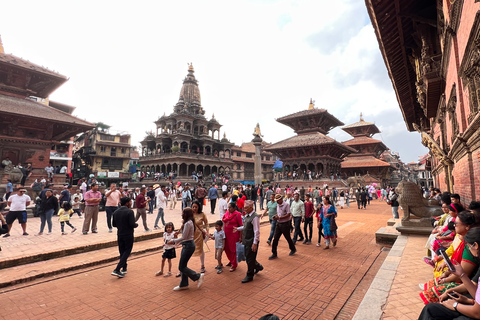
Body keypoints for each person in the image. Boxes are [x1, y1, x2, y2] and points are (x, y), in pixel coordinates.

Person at [418, 226, 480, 320]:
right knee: (431, 309)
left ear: (475, 245)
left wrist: (455, 305)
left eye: (457, 224)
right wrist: (461, 275)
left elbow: (477, 313)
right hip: (474, 303)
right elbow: (476, 291)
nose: (454, 226)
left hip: (476, 311)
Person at [420, 211, 477, 304]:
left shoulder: (470, 247)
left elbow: (461, 276)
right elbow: (453, 250)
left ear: (467, 226)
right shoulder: (462, 239)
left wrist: (446, 279)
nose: (454, 225)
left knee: (434, 293)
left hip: (463, 282)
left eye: (456, 223)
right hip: (459, 275)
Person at [168, 207, 205, 291]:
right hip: (187, 245)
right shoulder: (188, 222)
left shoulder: (188, 223)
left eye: (183, 213)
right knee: (183, 265)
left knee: (181, 267)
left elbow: (184, 237)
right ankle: (184, 284)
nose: (181, 214)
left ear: (186, 214)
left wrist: (173, 241)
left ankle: (197, 276)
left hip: (188, 245)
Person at [233, 200, 263, 283]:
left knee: (249, 259)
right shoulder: (247, 216)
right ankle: (258, 266)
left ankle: (250, 275)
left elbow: (256, 231)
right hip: (246, 240)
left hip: (251, 241)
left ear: (251, 207)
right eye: (244, 208)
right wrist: (238, 229)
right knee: (248, 257)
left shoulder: (255, 217)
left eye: (246, 208)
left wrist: (255, 243)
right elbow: (245, 227)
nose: (244, 209)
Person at [111, 197, 138, 278]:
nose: (131, 203)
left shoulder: (116, 212)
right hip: (128, 234)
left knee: (122, 251)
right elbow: (132, 224)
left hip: (120, 234)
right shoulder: (130, 212)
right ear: (127, 203)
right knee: (127, 251)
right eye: (130, 202)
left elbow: (114, 225)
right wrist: (136, 225)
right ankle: (117, 269)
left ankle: (124, 268)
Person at [269, 194, 296, 260]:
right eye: (277, 201)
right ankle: (274, 253)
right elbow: (278, 213)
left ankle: (293, 249)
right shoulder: (278, 205)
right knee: (275, 239)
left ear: (281, 199)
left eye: (278, 200)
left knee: (288, 238)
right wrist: (276, 216)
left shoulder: (286, 205)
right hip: (278, 224)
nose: (277, 202)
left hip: (285, 224)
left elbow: (288, 214)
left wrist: (280, 217)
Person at [222, 202, 243, 272]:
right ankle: (231, 260)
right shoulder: (227, 213)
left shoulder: (238, 214)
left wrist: (241, 236)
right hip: (226, 234)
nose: (228, 209)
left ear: (234, 208)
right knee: (226, 248)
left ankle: (234, 264)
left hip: (234, 235)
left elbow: (241, 226)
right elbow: (224, 221)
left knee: (233, 249)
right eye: (228, 207)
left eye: (230, 207)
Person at [192, 201, 209, 273]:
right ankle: (183, 267)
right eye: (193, 207)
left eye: (196, 207)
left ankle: (202, 266)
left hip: (201, 235)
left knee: (201, 249)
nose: (194, 208)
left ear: (199, 207)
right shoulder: (190, 215)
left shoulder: (202, 214)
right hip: (192, 235)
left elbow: (207, 223)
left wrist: (207, 232)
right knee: (189, 250)